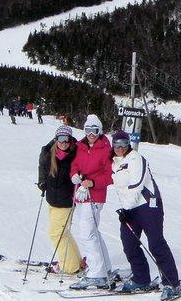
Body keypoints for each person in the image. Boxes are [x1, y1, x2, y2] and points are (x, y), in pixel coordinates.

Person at [111, 130, 181, 300]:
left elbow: (136, 184)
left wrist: (126, 209)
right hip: (130, 209)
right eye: (116, 144)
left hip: (148, 205)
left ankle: (172, 283)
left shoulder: (136, 158)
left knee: (156, 243)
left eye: (123, 144)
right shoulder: (115, 163)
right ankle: (141, 278)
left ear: (128, 144)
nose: (120, 147)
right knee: (129, 243)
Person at [68, 114, 114, 290]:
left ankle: (97, 274)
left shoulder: (105, 149)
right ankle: (105, 267)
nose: (91, 134)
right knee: (92, 231)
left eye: (94, 130)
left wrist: (93, 182)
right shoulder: (80, 146)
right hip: (80, 194)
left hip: (95, 196)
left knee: (87, 233)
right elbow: (75, 166)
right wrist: (74, 175)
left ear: (100, 130)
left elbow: (110, 175)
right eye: (88, 130)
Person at [38, 125, 82, 274]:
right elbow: (42, 168)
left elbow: (83, 172)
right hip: (51, 200)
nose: (63, 142)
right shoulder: (48, 152)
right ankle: (75, 261)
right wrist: (42, 182)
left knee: (55, 233)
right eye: (60, 139)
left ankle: (69, 267)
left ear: (70, 140)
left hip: (65, 201)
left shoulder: (75, 155)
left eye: (66, 139)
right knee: (63, 233)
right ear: (56, 139)